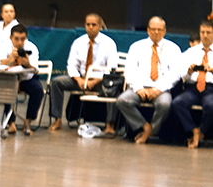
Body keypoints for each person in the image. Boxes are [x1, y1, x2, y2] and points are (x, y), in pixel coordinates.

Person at [116, 16, 182, 144]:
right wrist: (138, 88)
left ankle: (152, 130)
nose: (156, 32)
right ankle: (144, 126)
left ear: (164, 31)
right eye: (153, 29)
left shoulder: (173, 48)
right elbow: (129, 71)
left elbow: (175, 74)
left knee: (165, 104)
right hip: (139, 88)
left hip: (161, 89)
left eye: (159, 29)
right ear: (147, 30)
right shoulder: (136, 47)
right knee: (122, 101)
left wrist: (158, 89)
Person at [48, 13, 118, 132]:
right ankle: (57, 119)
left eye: (94, 25)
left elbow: (112, 68)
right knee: (57, 82)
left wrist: (95, 80)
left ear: (100, 26)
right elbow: (71, 65)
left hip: (100, 81)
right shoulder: (78, 42)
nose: (90, 27)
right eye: (88, 24)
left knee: (114, 87)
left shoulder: (109, 43)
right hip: (81, 79)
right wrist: (78, 79)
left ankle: (110, 124)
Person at [0, 24, 44, 135]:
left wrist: (28, 65)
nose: (19, 42)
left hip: (27, 79)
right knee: (8, 90)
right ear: (11, 37)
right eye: (16, 39)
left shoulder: (32, 48)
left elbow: (35, 69)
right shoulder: (4, 46)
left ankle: (28, 121)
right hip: (9, 78)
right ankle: (11, 123)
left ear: (26, 37)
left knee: (38, 90)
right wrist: (10, 59)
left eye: (22, 39)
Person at [170, 20, 213, 148]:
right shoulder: (191, 52)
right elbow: (181, 74)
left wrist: (211, 70)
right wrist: (188, 72)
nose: (205, 35)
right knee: (177, 102)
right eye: (202, 32)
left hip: (211, 88)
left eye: (208, 32)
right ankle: (193, 130)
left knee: (211, 105)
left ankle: (202, 132)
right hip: (193, 88)